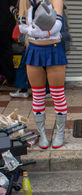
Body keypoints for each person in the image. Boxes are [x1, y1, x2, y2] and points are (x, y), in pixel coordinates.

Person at [18, 0, 68, 149]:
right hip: (34, 50)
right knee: (38, 95)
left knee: (57, 94)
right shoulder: (25, 0)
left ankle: (59, 133)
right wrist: (30, 31)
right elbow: (21, 25)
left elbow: (58, 24)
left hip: (54, 49)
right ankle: (43, 134)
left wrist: (42, 32)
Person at [0, 0, 17, 86]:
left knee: (5, 52)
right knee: (6, 52)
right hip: (6, 25)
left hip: (5, 26)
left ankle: (9, 78)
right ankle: (8, 78)